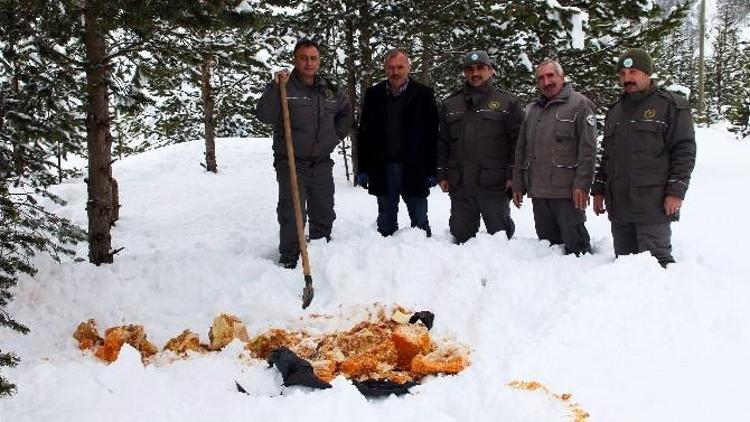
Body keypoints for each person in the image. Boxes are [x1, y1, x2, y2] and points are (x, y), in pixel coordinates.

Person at [591, 48, 696, 267]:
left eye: (633, 72)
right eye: (622, 74)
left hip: (652, 205)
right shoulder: (616, 111)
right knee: (625, 265)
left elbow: (684, 151)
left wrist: (676, 192)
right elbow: (606, 155)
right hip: (619, 205)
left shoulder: (670, 106)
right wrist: (599, 190)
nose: (627, 78)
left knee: (656, 266)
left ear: (647, 73)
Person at [255, 39, 351, 268]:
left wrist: (333, 138)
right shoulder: (285, 87)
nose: (309, 63)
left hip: (320, 162)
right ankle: (290, 259)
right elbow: (265, 116)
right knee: (292, 211)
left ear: (318, 61)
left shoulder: (329, 89)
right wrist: (275, 87)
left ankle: (321, 252)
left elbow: (345, 112)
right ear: (294, 60)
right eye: (303, 58)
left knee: (324, 210)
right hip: (292, 162)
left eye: (313, 58)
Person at [437, 50, 523, 244]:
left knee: (500, 237)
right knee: (460, 237)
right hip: (461, 186)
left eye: (480, 68)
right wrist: (442, 174)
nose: (475, 73)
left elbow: (517, 144)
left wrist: (513, 176)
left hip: (494, 184)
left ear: (491, 70)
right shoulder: (450, 104)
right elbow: (443, 142)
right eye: (470, 69)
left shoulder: (507, 103)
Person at [511, 60, 596, 255]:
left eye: (551, 76)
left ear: (561, 76)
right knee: (548, 250)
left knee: (577, 250)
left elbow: (588, 149)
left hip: (567, 194)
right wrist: (518, 183)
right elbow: (521, 149)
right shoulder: (532, 110)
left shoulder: (579, 104)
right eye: (541, 78)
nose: (546, 81)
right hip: (539, 193)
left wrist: (582, 184)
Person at [356, 48, 439, 237]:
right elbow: (364, 134)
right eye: (391, 67)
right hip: (382, 167)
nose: (395, 72)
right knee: (385, 222)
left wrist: (432, 170)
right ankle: (386, 259)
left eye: (400, 67)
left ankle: (425, 258)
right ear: (385, 69)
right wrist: (363, 169)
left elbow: (432, 134)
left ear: (408, 68)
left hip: (414, 167)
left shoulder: (424, 94)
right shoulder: (373, 94)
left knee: (419, 222)